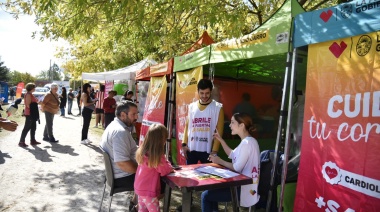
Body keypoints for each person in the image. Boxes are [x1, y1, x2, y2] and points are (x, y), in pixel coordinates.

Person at [201, 113, 260, 211]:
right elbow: (232, 154)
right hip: (246, 187)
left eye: (232, 122)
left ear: (241, 125)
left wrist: (219, 161)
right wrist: (220, 139)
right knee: (210, 192)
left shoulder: (247, 143)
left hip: (243, 189)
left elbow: (237, 167)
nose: (229, 125)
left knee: (205, 196)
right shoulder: (249, 141)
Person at [99, 102, 139, 210]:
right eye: (133, 114)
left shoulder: (114, 126)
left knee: (151, 177)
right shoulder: (120, 132)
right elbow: (122, 163)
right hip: (122, 177)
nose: (136, 117)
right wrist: (142, 170)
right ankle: (138, 208)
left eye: (137, 114)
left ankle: (135, 203)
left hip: (115, 175)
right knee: (160, 183)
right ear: (122, 115)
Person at [181, 79, 224, 164]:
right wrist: (184, 144)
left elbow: (219, 131)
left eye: (207, 93)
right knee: (190, 175)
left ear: (211, 91)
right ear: (198, 92)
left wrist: (215, 150)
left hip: (208, 150)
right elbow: (187, 126)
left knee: (208, 176)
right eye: (202, 93)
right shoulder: (192, 106)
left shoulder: (218, 107)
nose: (204, 96)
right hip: (191, 149)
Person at [134, 123, 173, 212]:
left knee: (142, 210)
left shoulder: (143, 151)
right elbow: (165, 170)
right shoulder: (156, 156)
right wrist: (169, 165)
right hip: (149, 192)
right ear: (161, 140)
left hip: (140, 189)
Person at [18, 83, 41, 147]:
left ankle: (32, 140)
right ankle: (21, 141)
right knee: (27, 127)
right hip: (30, 113)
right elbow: (28, 105)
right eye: (34, 87)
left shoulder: (31, 94)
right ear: (31, 88)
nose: (35, 88)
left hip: (32, 113)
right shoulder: (28, 94)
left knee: (33, 127)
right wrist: (35, 105)